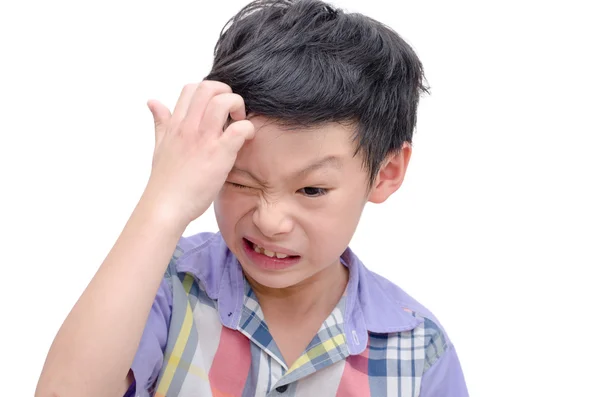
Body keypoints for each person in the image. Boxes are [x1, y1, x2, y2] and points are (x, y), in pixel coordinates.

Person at [36, 0, 469, 396]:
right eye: (240, 181)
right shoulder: (165, 287)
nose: (270, 220)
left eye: (311, 189)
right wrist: (163, 202)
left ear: (386, 173)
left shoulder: (417, 350)